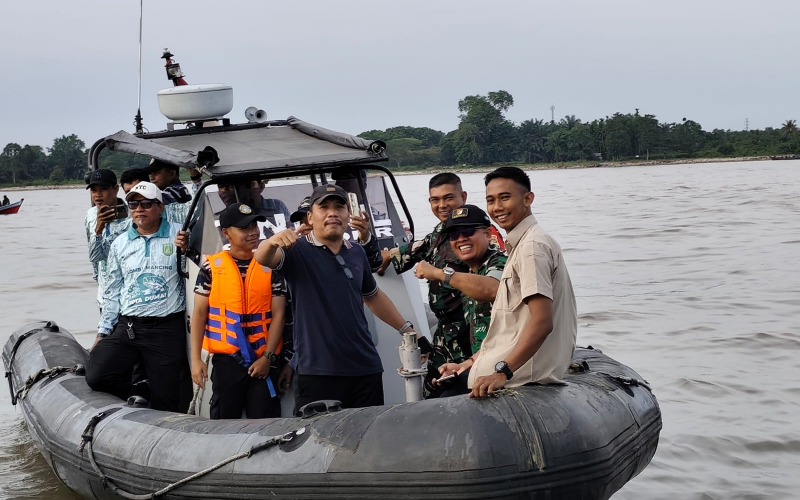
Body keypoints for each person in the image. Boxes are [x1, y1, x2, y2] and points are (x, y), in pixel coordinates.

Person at [255, 184, 424, 412]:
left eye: (339, 207)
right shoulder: (295, 251)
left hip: (366, 368)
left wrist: (407, 329)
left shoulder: (356, 251)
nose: (332, 212)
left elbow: (372, 296)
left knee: (366, 439)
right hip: (317, 372)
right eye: (323, 207)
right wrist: (271, 242)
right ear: (310, 217)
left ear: (348, 215)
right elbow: (263, 259)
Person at [438, 167, 577, 398]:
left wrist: (502, 372)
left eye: (505, 197)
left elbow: (542, 321)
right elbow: (512, 326)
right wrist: (469, 363)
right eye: (490, 200)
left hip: (520, 380)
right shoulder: (521, 245)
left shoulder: (532, 248)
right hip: (501, 372)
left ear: (528, 198)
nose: (497, 208)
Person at [377, 173, 503, 395]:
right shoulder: (440, 233)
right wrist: (386, 253)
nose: (442, 205)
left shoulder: (482, 234)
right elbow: (417, 249)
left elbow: (491, 286)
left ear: (463, 196)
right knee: (429, 394)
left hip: (472, 334)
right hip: (445, 339)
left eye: (448, 198)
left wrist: (438, 273)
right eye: (436, 200)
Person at [86, 182, 191, 412]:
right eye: (133, 203)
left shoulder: (179, 235)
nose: (139, 209)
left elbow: (190, 274)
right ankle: (141, 392)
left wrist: (186, 250)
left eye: (146, 204)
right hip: (129, 327)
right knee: (96, 375)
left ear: (161, 207)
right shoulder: (120, 243)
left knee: (168, 402)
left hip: (166, 329)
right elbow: (112, 290)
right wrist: (103, 331)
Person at [189, 203, 286, 418]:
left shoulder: (272, 265)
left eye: (254, 226)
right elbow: (199, 314)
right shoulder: (211, 268)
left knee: (266, 421)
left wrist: (268, 358)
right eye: (244, 228)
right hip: (227, 362)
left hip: (264, 361)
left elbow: (279, 314)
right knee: (224, 419)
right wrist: (196, 360)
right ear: (226, 233)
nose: (252, 232)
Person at [413, 205, 506, 360]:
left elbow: (492, 288)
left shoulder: (500, 262)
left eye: (468, 231)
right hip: (481, 363)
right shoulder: (470, 272)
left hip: (506, 369)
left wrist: (439, 273)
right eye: (454, 235)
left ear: (488, 234)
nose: (461, 239)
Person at [85, 169, 126, 310]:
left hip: (127, 296)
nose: (97, 195)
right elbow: (95, 257)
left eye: (103, 189)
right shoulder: (90, 215)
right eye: (93, 190)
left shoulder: (132, 216)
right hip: (104, 296)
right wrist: (99, 229)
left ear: (116, 189)